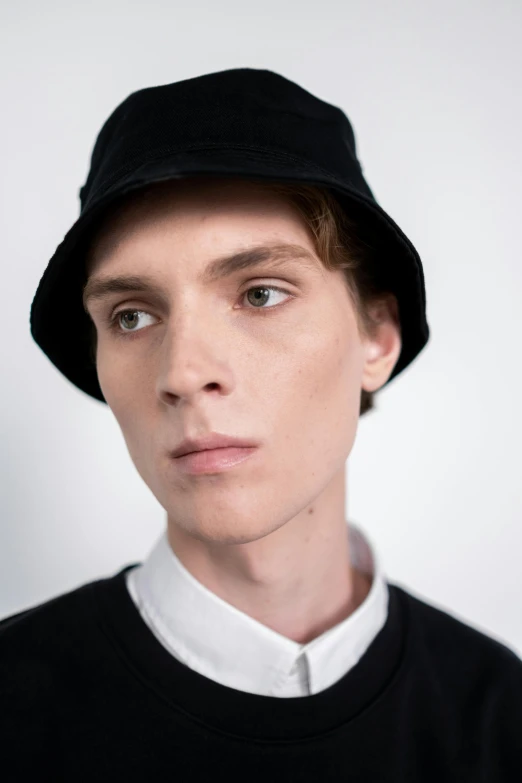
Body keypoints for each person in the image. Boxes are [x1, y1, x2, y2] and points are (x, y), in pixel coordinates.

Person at [2, 68, 520, 780]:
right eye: (132, 315)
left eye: (260, 292)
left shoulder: (500, 717)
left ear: (377, 335)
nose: (181, 372)